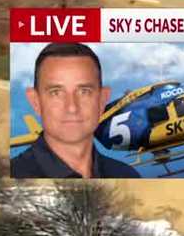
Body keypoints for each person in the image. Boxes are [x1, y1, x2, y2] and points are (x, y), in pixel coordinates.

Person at [11, 43, 141, 179]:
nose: (72, 107)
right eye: (56, 92)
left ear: (102, 100)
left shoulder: (126, 174)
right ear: (35, 101)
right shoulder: (15, 174)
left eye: (84, 91)